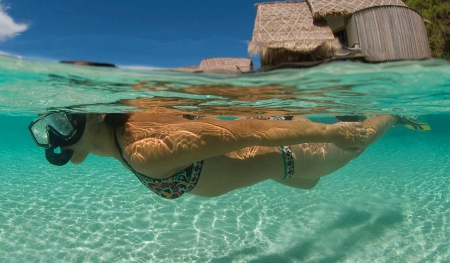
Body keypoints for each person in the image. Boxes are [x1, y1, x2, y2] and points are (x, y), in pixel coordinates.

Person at [27, 112, 423, 199]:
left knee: (358, 142)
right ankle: (349, 121)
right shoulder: (121, 139)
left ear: (94, 115)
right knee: (310, 183)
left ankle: (391, 115)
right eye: (49, 131)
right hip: (283, 166)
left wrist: (328, 132)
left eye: (61, 123)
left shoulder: (142, 151)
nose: (55, 138)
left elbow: (243, 133)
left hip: (289, 150)